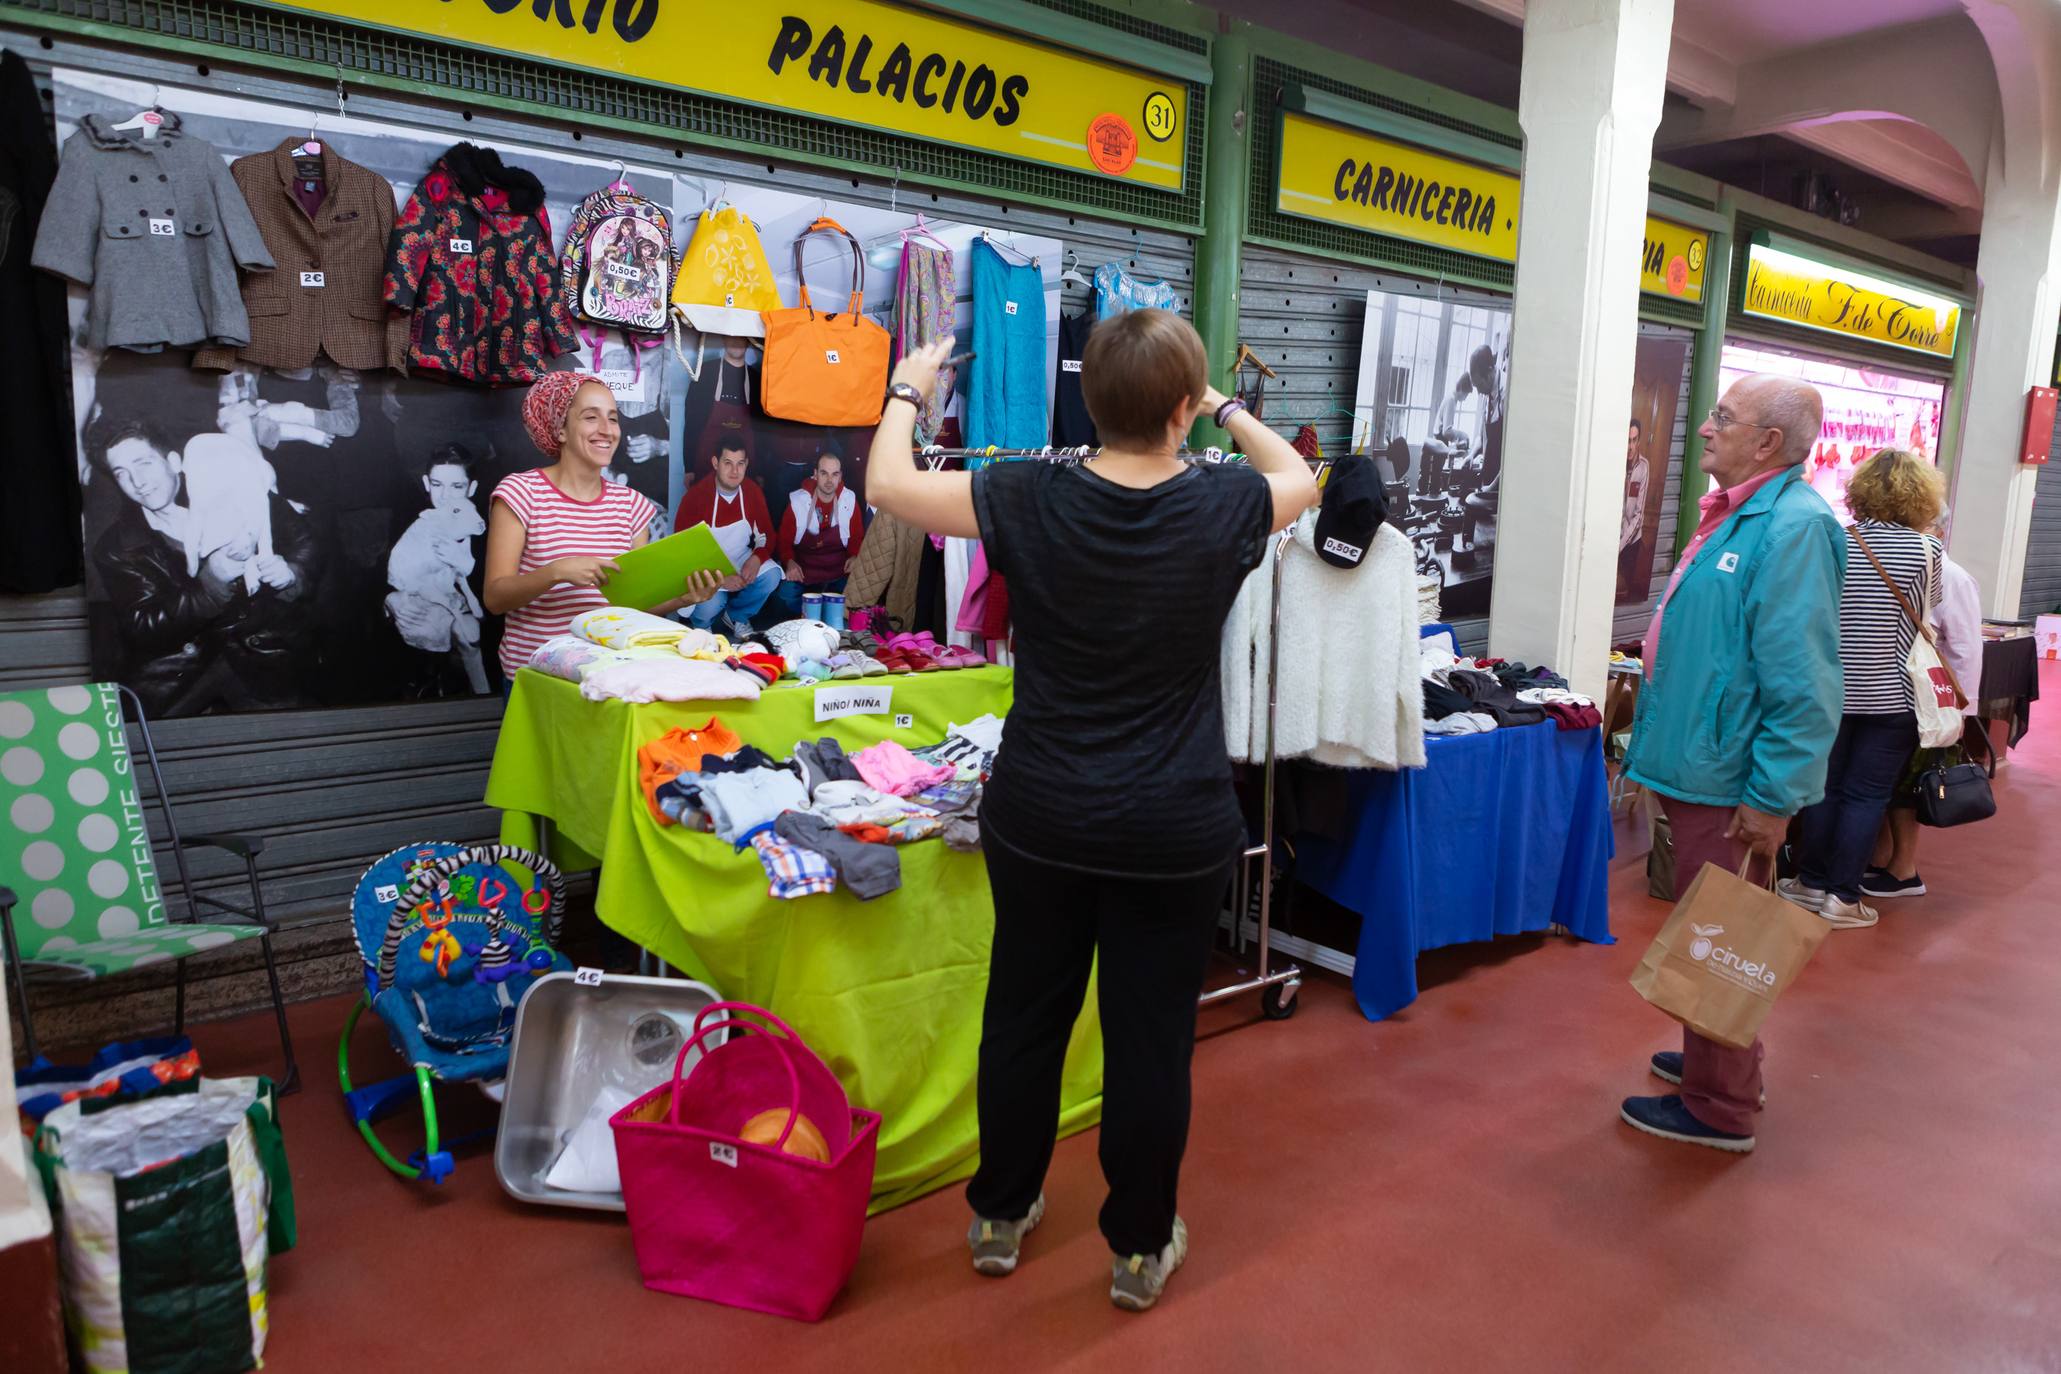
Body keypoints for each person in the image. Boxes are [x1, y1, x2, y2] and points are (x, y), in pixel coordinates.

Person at [865, 313, 1317, 1312]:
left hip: (1043, 815)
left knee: (1024, 1016)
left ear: (1089, 403)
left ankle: (999, 1211)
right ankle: (1138, 1248)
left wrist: (909, 387)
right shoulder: (1225, 501)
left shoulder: (1027, 492)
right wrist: (1227, 407)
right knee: (1149, 1038)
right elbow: (1305, 475)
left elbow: (889, 486)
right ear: (1177, 408)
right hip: (1174, 823)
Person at [1618, 374, 1845, 1153]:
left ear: (1769, 443)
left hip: (1731, 777)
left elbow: (1803, 679)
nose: (1706, 428)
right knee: (1702, 927)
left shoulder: (1792, 529)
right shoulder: (1741, 517)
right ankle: (1708, 1057)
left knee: (1720, 937)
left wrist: (1775, 796)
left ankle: (1721, 1106)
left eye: (1723, 417)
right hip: (1701, 765)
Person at [1782, 449, 1947, 927]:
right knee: (1867, 795)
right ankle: (1843, 897)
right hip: (1894, 694)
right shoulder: (1927, 550)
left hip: (1831, 688)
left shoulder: (1838, 539)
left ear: (1862, 491)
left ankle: (1809, 882)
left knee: (1826, 787)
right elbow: (1926, 607)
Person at [483, 372, 716, 685]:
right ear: (561, 429)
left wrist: (683, 599)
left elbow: (631, 607)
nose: (607, 430)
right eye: (591, 417)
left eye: (613, 419)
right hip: (537, 682)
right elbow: (495, 598)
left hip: (608, 678)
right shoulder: (520, 492)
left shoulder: (632, 505)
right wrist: (557, 571)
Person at [85, 413, 323, 717]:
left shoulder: (233, 485)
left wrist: (292, 572)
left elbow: (305, 541)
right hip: (180, 669)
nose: (138, 482)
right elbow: (143, 626)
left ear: (173, 462)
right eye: (122, 473)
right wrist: (210, 585)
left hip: (262, 652)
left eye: (144, 463)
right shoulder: (116, 547)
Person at [1866, 504, 1984, 899]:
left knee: (1912, 785)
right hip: (1902, 694)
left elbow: (1966, 649)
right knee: (1889, 783)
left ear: (1935, 528)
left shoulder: (1952, 577)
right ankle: (1882, 860)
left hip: (1930, 701)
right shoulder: (1914, 566)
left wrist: (1962, 711)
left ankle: (1904, 869)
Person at [387, 443, 490, 696]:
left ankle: (483, 697)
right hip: (420, 616)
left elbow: (499, 601)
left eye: (456, 487)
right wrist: (391, 600)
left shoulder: (487, 529)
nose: (444, 496)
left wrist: (467, 565)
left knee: (468, 633)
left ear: (472, 488)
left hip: (479, 632)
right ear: (426, 483)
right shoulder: (412, 519)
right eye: (437, 485)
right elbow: (377, 574)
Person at [672, 436, 783, 638]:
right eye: (728, 463)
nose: (734, 471)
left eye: (740, 464)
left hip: (740, 556)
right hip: (705, 566)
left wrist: (757, 558)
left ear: (746, 464)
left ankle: (737, 616)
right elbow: (683, 550)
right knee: (713, 602)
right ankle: (701, 625)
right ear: (715, 463)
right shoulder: (695, 497)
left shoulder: (752, 491)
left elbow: (767, 535)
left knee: (771, 576)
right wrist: (720, 578)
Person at [772, 451, 865, 621]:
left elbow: (856, 538)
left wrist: (854, 556)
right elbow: (783, 542)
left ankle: (823, 613)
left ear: (840, 476)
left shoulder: (849, 499)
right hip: (806, 574)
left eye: (834, 474)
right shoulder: (798, 501)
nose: (829, 481)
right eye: (824, 473)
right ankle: (810, 616)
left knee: (860, 590)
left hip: (838, 572)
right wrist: (790, 562)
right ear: (815, 474)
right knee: (784, 596)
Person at [1620, 417, 1650, 596]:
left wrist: (1620, 545)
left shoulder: (1644, 467)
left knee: (1626, 592)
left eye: (1634, 440)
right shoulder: (1617, 463)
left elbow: (1639, 515)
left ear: (1638, 441)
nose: (1630, 446)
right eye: (1627, 440)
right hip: (1615, 536)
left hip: (1631, 541)